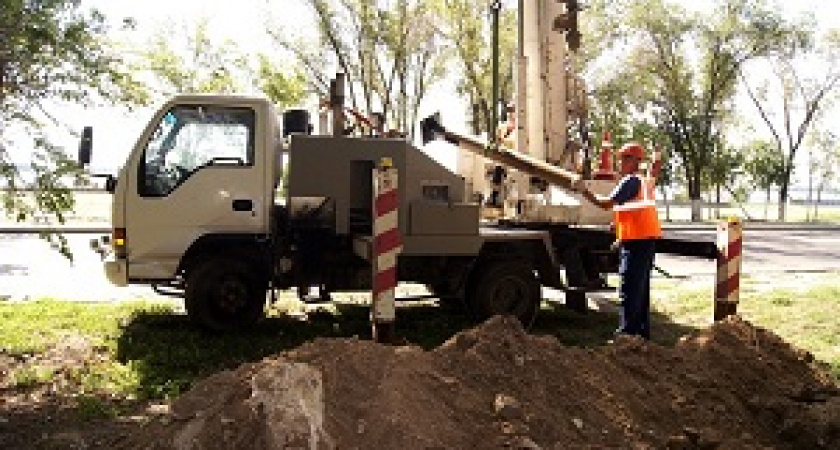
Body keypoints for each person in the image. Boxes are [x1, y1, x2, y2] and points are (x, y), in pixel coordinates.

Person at [574, 142, 662, 339]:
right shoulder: (644, 181)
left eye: (622, 159)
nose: (619, 163)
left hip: (636, 243)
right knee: (640, 290)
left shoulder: (630, 181)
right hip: (643, 241)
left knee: (630, 290)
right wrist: (657, 157)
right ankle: (641, 334)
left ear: (633, 161)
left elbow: (604, 204)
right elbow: (654, 173)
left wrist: (583, 190)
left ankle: (627, 336)